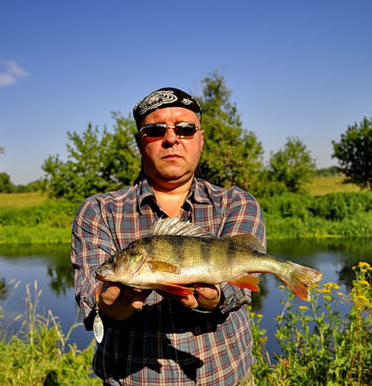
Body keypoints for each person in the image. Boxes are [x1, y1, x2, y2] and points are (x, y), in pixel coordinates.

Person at [71, 87, 266, 385]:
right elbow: (90, 294)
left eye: (185, 129)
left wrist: (214, 299)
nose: (172, 138)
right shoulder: (98, 211)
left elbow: (242, 286)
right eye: (155, 129)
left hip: (224, 377)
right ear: (139, 141)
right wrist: (109, 305)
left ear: (200, 138)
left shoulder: (237, 203)